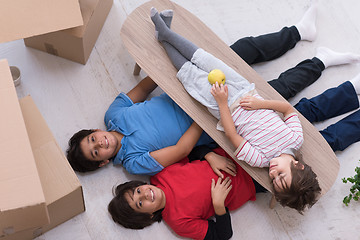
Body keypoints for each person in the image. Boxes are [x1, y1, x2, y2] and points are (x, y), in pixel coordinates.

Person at [149, 4, 360, 213]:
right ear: (298, 165)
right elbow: (287, 110)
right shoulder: (296, 139)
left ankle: (164, 34)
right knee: (204, 58)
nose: (273, 173)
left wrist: (222, 102)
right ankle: (166, 33)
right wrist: (261, 104)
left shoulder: (260, 160)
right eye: (281, 175)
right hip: (245, 90)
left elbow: (231, 134)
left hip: (221, 104)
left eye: (274, 180)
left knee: (189, 74)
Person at [108, 146, 264, 240]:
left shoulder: (159, 174)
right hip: (253, 181)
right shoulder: (178, 222)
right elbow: (222, 235)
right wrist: (218, 205)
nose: (145, 194)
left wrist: (209, 156)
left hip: (233, 149)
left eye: (138, 191)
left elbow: (192, 151)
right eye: (140, 203)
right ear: (148, 215)